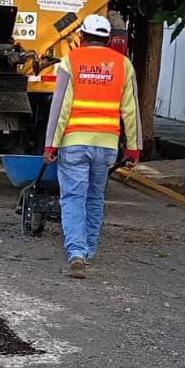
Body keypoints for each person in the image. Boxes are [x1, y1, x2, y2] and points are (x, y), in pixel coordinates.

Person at [42, 15, 140, 280]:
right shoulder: (124, 64)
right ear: (108, 39)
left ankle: (77, 253)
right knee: (94, 197)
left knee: (73, 197)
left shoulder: (71, 61)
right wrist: (134, 148)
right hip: (106, 145)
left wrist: (51, 144)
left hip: (74, 143)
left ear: (82, 37)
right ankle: (89, 249)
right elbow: (131, 110)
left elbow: (60, 107)